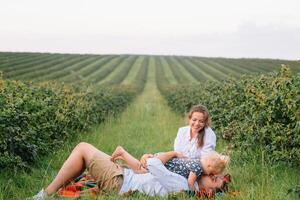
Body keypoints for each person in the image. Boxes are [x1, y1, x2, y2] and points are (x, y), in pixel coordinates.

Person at [28, 142, 227, 200]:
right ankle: (59, 185)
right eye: (213, 175)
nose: (209, 176)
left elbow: (155, 165)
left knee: (82, 148)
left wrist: (154, 156)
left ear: (209, 191)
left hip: (121, 181)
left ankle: (44, 195)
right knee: (86, 155)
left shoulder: (184, 186)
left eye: (214, 180)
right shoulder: (187, 181)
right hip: (126, 176)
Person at [111, 146, 229, 191]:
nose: (209, 174)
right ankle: (122, 153)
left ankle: (123, 156)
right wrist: (192, 191)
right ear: (209, 167)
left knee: (139, 169)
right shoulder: (198, 168)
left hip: (166, 162)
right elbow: (190, 183)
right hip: (164, 164)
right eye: (211, 173)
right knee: (140, 169)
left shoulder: (196, 161)